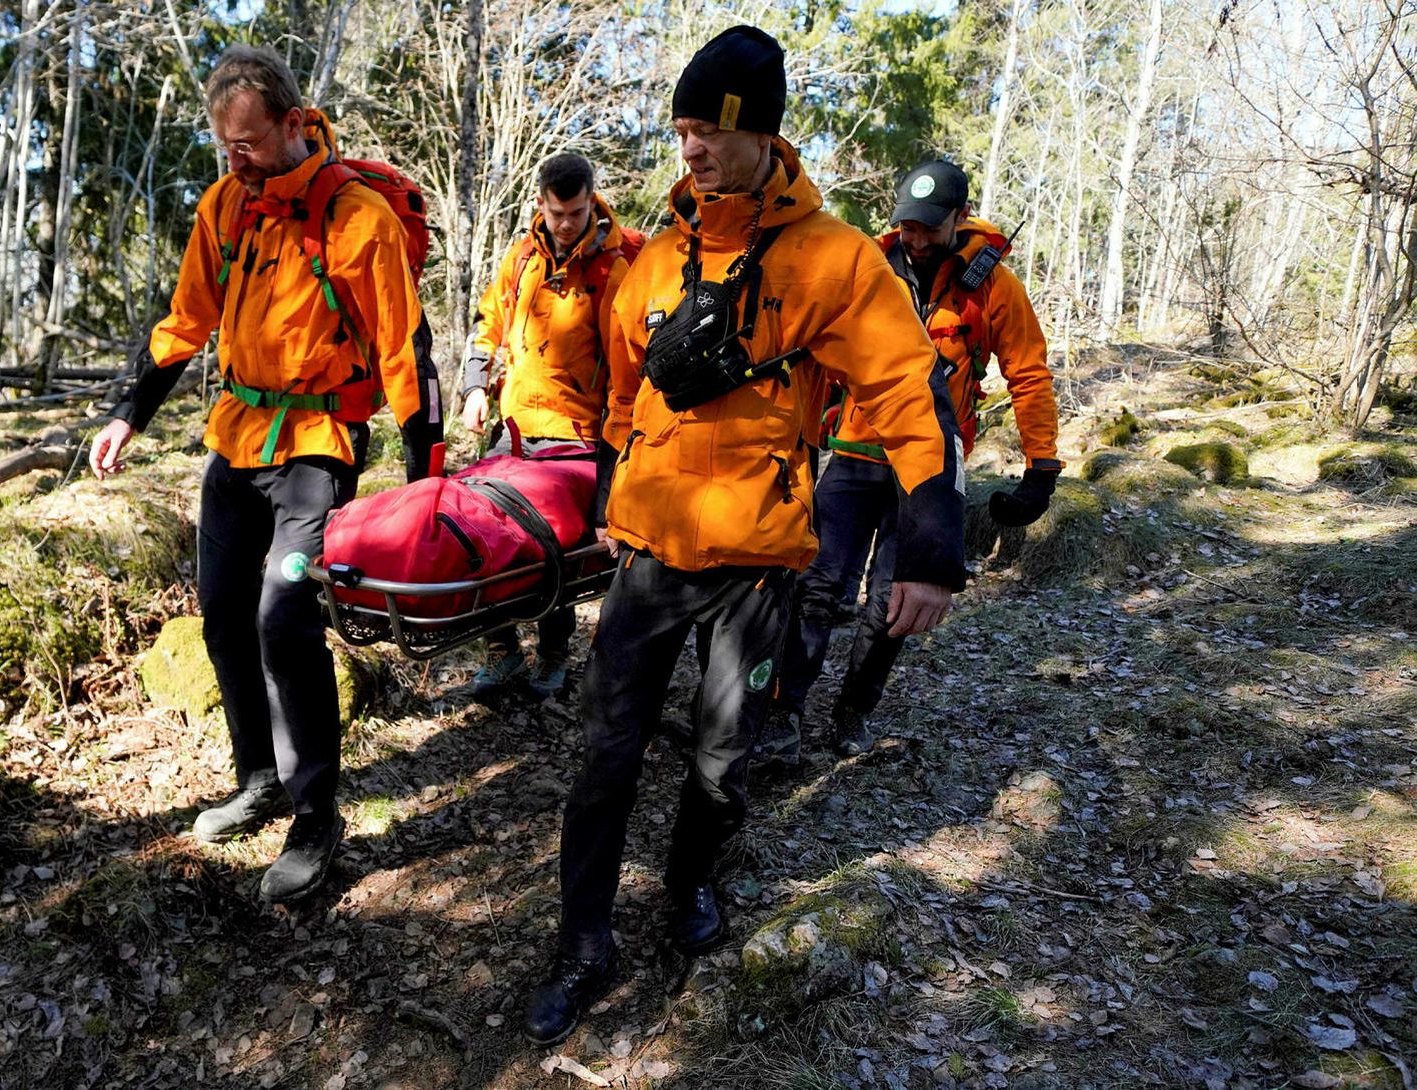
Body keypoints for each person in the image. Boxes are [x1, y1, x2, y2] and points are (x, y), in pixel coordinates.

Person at [522, 26, 969, 1045]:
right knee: (603, 758)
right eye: (680, 132)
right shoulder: (661, 250)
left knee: (722, 763)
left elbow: (907, 394)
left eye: (707, 133)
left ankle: (686, 888)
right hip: (648, 553)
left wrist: (931, 549)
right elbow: (625, 373)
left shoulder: (832, 260)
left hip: (758, 564)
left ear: (762, 135)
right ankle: (581, 945)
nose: (690, 151)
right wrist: (607, 485)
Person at [88, 45, 439, 904]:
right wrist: (128, 411)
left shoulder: (360, 220)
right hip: (236, 437)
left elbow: (404, 351)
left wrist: (424, 477)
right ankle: (259, 776)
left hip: (318, 444)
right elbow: (184, 322)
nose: (234, 160)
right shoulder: (226, 207)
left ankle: (318, 815)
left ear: (292, 122)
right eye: (223, 146)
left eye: (246, 142)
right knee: (220, 616)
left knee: (284, 618)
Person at [755, 159, 1061, 767]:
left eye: (930, 227)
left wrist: (1041, 468)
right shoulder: (867, 266)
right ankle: (782, 715)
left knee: (891, 605)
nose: (916, 239)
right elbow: (806, 354)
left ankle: (853, 714)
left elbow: (1027, 374)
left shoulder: (993, 286)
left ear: (959, 218)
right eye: (907, 226)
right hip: (851, 454)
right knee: (817, 587)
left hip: (926, 475)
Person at [458, 153, 639, 699]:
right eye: (558, 212)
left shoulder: (614, 270)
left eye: (577, 212)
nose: (566, 223)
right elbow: (488, 322)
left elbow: (625, 375)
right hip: (514, 431)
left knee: (548, 548)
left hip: (576, 437)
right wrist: (473, 385)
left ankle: (554, 654)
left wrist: (613, 467)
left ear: (592, 202)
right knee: (476, 530)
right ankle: (502, 651)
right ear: (541, 203)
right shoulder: (521, 260)